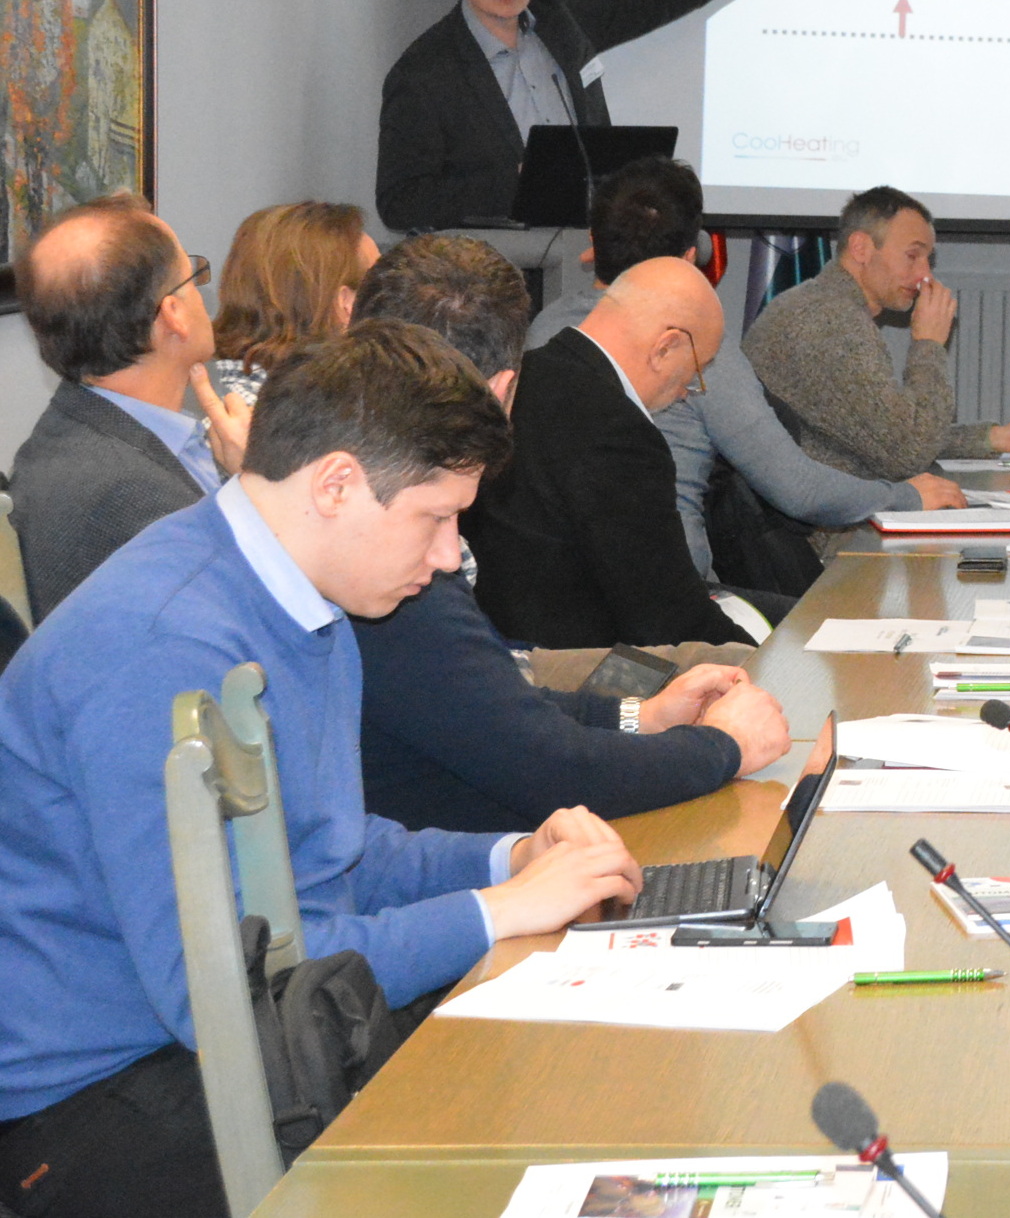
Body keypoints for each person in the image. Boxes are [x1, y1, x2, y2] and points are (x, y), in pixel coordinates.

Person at [0, 321, 643, 1218]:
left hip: (238, 1027)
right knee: (492, 1157)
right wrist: (493, 913)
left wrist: (508, 859)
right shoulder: (164, 645)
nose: (449, 555)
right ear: (336, 485)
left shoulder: (304, 603)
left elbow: (324, 850)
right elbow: (219, 993)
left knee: (570, 1077)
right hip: (94, 1097)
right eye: (435, 517)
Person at [351, 233, 790, 831]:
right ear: (500, 391)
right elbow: (547, 764)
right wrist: (723, 747)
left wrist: (644, 717)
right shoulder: (392, 567)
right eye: (438, 519)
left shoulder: (375, 516)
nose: (451, 552)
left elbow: (498, 700)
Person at [525, 158, 936, 575]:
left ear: (593, 242)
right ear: (689, 258)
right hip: (674, 589)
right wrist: (907, 497)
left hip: (559, 584)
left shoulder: (545, 328)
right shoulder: (697, 345)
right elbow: (798, 489)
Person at [374, 0, 810, 230]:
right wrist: (518, 182)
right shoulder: (424, 73)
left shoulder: (560, 19)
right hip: (494, 265)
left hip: (586, 248)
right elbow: (401, 202)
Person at [465, 256, 751, 648]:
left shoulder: (525, 373)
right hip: (584, 663)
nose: (687, 391)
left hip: (501, 641)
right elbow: (668, 621)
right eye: (696, 372)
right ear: (666, 346)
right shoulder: (619, 432)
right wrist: (762, 665)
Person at [8, 195, 243, 619]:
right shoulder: (134, 496)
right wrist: (259, 487)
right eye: (193, 278)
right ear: (173, 314)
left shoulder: (70, 430)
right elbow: (249, 620)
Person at [743, 187, 1010, 491]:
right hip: (814, 527)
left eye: (927, 259)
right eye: (913, 256)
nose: (925, 275)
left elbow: (882, 435)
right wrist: (928, 344)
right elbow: (906, 454)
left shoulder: (824, 306)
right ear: (861, 248)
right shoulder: (832, 323)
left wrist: (994, 438)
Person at [210, 200, 382, 403]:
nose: (389, 295)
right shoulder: (306, 413)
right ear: (346, 304)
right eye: (382, 282)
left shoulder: (246, 402)